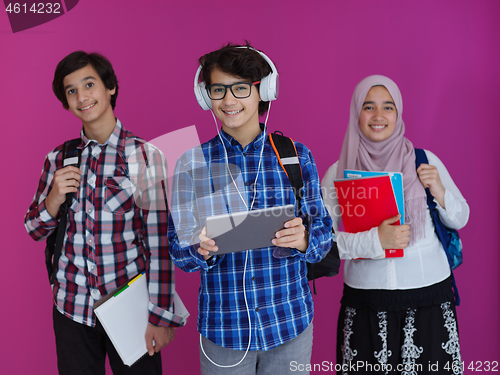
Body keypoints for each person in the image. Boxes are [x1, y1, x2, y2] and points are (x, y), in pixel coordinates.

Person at [167, 43, 333, 375]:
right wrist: (197, 248)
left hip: (290, 324)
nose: (229, 100)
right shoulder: (191, 162)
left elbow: (323, 236)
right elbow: (178, 252)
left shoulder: (296, 156)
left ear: (263, 91)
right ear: (206, 97)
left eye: (241, 88)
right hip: (224, 331)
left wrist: (303, 240)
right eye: (219, 89)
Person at [24, 51, 186, 375]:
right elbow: (34, 228)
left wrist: (161, 315)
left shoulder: (145, 156)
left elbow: (158, 244)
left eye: (89, 84)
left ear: (109, 87)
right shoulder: (58, 158)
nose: (82, 97)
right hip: (71, 309)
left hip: (131, 311)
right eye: (71, 91)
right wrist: (54, 198)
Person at [321, 75, 469, 374]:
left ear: (398, 113)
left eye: (388, 107)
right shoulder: (339, 172)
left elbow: (460, 217)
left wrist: (439, 191)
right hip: (366, 302)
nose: (378, 116)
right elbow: (324, 243)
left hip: (429, 296)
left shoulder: (425, 161)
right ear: (356, 113)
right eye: (368, 107)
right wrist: (377, 240)